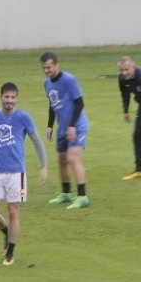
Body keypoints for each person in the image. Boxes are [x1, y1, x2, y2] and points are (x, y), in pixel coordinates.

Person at [0, 82, 47, 266]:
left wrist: (44, 166)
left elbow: (37, 141)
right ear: (1, 97)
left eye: (13, 97)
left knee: (13, 211)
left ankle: (10, 253)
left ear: (17, 98)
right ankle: (6, 232)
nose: (10, 101)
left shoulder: (24, 118)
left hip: (17, 174)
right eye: (7, 97)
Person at [40, 52, 89, 209]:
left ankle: (82, 196)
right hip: (62, 127)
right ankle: (66, 194)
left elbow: (80, 103)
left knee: (72, 158)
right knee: (62, 160)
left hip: (77, 125)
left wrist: (72, 126)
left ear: (56, 65)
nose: (47, 71)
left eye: (49, 67)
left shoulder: (69, 80)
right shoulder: (47, 83)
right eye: (44, 68)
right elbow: (52, 104)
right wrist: (49, 126)